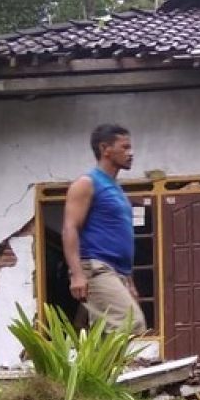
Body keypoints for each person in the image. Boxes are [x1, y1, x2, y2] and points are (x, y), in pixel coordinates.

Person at [63, 123, 146, 334]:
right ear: (105, 149)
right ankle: (105, 367)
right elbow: (70, 228)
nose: (131, 153)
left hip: (116, 272)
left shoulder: (115, 189)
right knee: (129, 322)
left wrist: (129, 280)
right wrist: (77, 274)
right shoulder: (87, 183)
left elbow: (120, 237)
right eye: (125, 147)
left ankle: (98, 368)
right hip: (97, 268)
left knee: (107, 331)